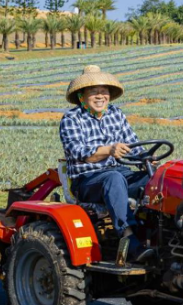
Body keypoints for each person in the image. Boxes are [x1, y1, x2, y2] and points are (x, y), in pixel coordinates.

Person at [59, 65, 150, 255]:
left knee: (156, 179)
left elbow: (133, 144)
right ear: (82, 96)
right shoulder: (71, 118)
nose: (100, 96)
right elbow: (79, 152)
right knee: (113, 179)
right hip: (88, 179)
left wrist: (147, 158)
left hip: (121, 173)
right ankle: (127, 236)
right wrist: (109, 150)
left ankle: (155, 233)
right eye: (94, 92)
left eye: (104, 91)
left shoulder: (116, 114)